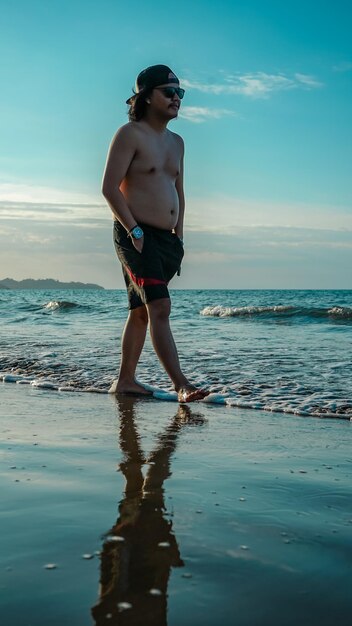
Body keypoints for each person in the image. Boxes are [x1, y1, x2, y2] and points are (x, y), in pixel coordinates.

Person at [102, 64, 208, 403]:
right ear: (146, 98)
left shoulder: (178, 142)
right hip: (135, 234)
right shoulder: (129, 134)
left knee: (141, 311)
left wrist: (179, 236)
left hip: (166, 241)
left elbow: (180, 190)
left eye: (180, 93)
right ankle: (182, 385)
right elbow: (109, 188)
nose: (177, 98)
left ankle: (126, 381)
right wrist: (133, 230)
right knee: (160, 307)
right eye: (169, 92)